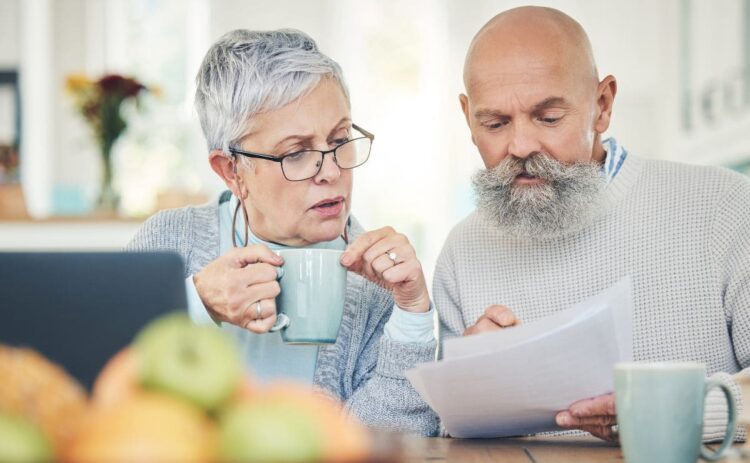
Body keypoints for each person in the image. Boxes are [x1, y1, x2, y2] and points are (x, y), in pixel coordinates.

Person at [434, 6, 749, 442]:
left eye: (548, 118)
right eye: (495, 123)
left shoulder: (725, 207)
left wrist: (661, 412)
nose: (521, 146)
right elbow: (449, 434)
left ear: (602, 106)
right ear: (468, 118)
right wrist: (472, 389)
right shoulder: (461, 251)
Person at [127, 29, 438, 436]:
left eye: (340, 140)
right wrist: (197, 302)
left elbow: (388, 443)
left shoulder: (381, 282)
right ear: (231, 171)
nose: (331, 171)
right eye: (296, 153)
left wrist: (413, 314)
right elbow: (103, 388)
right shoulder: (169, 242)